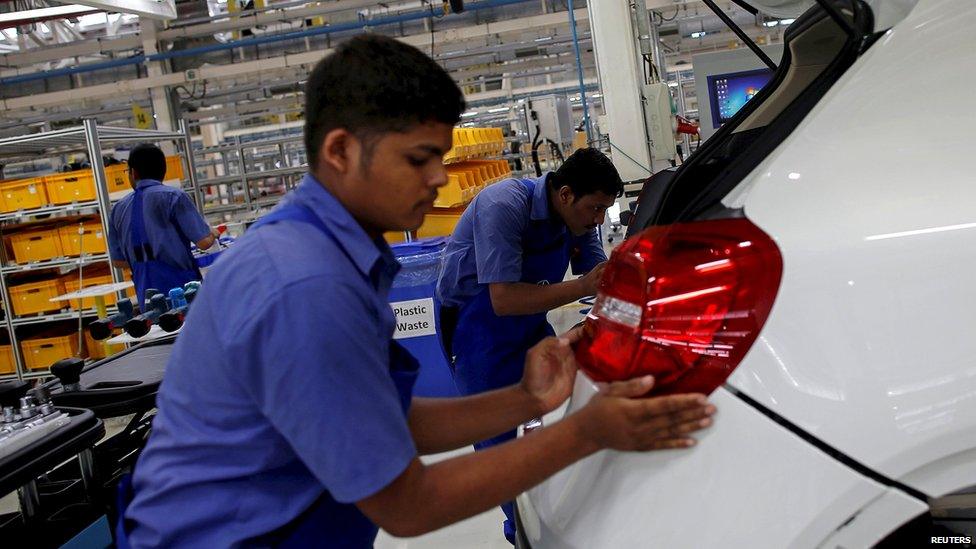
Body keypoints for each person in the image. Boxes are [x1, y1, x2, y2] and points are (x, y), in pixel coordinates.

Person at [119, 35, 715, 547]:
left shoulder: (336, 256)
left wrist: (528, 398)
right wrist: (587, 432)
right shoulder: (306, 284)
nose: (439, 178)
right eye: (420, 158)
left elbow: (386, 419)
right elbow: (408, 504)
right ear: (341, 151)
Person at [435, 146, 622, 541]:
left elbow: (596, 274)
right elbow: (503, 300)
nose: (598, 220)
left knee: (547, 421)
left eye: (605, 210)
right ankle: (520, 534)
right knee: (500, 446)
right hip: (480, 330)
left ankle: (554, 518)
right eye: (594, 209)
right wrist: (582, 287)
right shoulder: (504, 205)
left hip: (531, 323)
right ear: (566, 194)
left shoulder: (579, 221)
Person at [108, 143, 216, 306]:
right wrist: (213, 232)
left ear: (133, 172)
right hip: (184, 292)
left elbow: (118, 262)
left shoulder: (118, 209)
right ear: (163, 171)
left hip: (147, 297)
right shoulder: (174, 197)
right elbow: (204, 242)